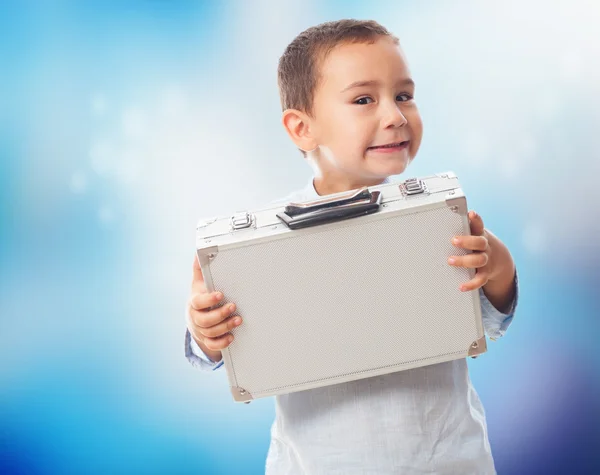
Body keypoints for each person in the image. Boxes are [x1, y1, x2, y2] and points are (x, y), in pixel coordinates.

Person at [185, 19, 518, 474]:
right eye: (364, 100)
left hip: (446, 461)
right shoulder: (263, 244)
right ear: (302, 129)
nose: (396, 115)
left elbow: (491, 320)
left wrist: (496, 264)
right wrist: (206, 332)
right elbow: (225, 350)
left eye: (404, 95)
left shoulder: (437, 219)